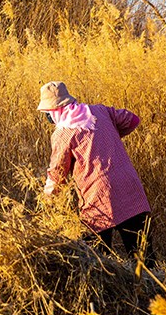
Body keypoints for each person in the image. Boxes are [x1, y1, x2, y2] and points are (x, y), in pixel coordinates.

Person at [38, 81, 156, 268]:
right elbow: (133, 120)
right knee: (144, 259)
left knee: (98, 264)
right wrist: (111, 136)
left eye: (47, 115)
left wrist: (46, 200)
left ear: (54, 112)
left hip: (97, 198)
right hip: (129, 187)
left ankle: (112, 296)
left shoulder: (62, 134)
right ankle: (157, 294)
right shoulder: (101, 111)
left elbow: (57, 173)